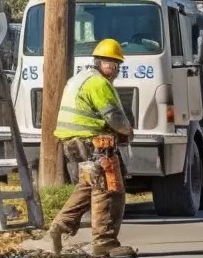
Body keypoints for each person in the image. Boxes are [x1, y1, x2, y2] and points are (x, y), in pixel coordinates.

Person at [46, 39, 137, 258]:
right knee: (108, 191)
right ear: (108, 64)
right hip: (93, 144)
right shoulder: (99, 83)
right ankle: (104, 243)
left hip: (73, 144)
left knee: (88, 186)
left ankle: (60, 225)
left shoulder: (79, 78)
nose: (116, 70)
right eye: (115, 65)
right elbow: (115, 118)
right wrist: (128, 132)